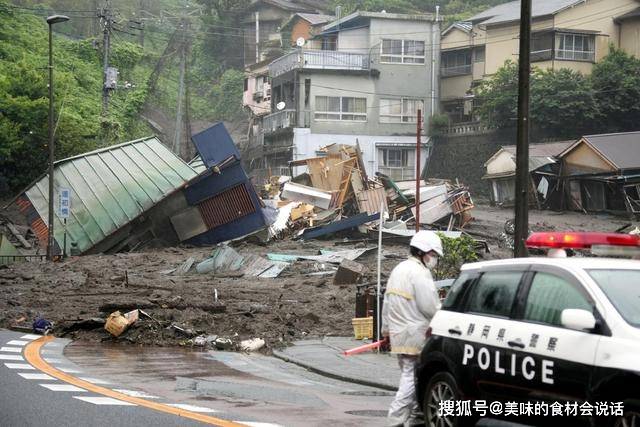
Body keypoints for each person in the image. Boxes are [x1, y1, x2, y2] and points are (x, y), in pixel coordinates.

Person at [381, 230, 443, 427]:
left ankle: (417, 416)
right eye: (432, 255)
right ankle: (395, 419)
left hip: (399, 335)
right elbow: (430, 307)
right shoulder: (420, 273)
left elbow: (386, 304)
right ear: (422, 252)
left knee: (415, 377)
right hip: (416, 335)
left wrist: (386, 331)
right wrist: (444, 318)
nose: (433, 260)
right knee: (410, 377)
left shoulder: (399, 269)